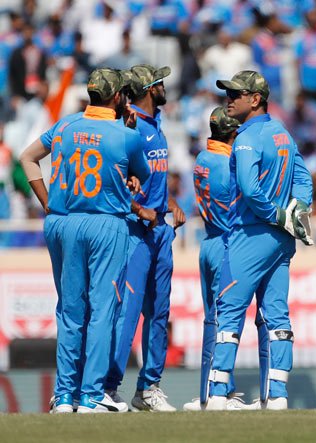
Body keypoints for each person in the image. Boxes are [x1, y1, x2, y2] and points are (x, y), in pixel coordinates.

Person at [209, 70, 313, 411]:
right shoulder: (282, 133)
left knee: (229, 311)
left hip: (251, 233)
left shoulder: (246, 138)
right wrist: (297, 212)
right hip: (280, 239)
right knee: (276, 315)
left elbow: (250, 188)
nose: (229, 100)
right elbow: (303, 179)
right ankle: (279, 395)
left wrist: (277, 215)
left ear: (255, 99)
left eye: (236, 94)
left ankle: (218, 393)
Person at [60, 68, 150, 413]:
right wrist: (128, 130)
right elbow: (142, 173)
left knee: (71, 311)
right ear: (116, 97)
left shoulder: (69, 128)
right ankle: (92, 394)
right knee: (102, 310)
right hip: (107, 224)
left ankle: (65, 395)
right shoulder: (125, 135)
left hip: (71, 220)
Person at [105, 64, 186, 412]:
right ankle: (108, 388)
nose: (165, 87)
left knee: (159, 312)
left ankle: (148, 388)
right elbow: (114, 182)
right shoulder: (130, 126)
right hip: (135, 231)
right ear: (151, 89)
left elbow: (152, 177)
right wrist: (141, 211)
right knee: (128, 312)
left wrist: (169, 203)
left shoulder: (155, 124)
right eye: (161, 82)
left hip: (160, 231)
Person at [182, 107, 257, 411]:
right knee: (226, 322)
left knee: (212, 321)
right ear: (233, 132)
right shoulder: (229, 164)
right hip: (228, 243)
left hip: (208, 240)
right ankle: (220, 393)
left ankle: (208, 392)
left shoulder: (202, 158)